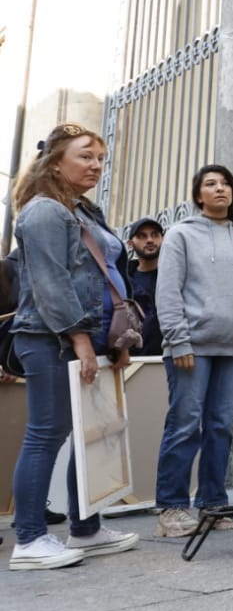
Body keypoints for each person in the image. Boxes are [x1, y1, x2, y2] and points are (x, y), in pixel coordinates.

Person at [8, 123, 140, 570]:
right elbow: (51, 285)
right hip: (50, 339)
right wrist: (82, 340)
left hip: (85, 337)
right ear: (55, 162)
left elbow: (104, 274)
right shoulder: (45, 211)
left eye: (100, 158)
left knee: (87, 437)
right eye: (85, 156)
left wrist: (112, 339)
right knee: (46, 434)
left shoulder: (81, 211)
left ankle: (85, 528)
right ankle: (28, 539)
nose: (96, 166)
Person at [152, 164, 233, 539]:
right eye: (210, 184)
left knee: (220, 427)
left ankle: (213, 503)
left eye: (225, 184)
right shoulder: (180, 235)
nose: (220, 189)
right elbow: (168, 290)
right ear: (198, 194)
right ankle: (171, 507)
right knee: (186, 423)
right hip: (192, 347)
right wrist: (178, 339)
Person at [124, 217, 164, 356]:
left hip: (172, 356)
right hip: (134, 359)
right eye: (142, 236)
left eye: (155, 235)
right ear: (130, 244)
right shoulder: (124, 280)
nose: (150, 240)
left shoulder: (174, 275)